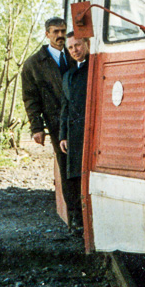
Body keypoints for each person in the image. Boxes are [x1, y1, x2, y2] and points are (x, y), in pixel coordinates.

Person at [22, 17, 74, 184]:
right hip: (56, 122)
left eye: (63, 31)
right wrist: (37, 128)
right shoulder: (34, 64)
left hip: (79, 119)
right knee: (66, 168)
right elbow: (31, 99)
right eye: (56, 32)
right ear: (47, 34)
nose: (60, 35)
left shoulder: (75, 55)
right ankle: (72, 210)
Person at [59, 32, 90, 232]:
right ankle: (78, 219)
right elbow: (65, 107)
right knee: (75, 177)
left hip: (91, 131)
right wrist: (63, 135)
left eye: (77, 45)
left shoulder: (94, 69)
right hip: (74, 134)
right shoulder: (69, 75)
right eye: (70, 48)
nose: (74, 50)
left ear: (86, 44)